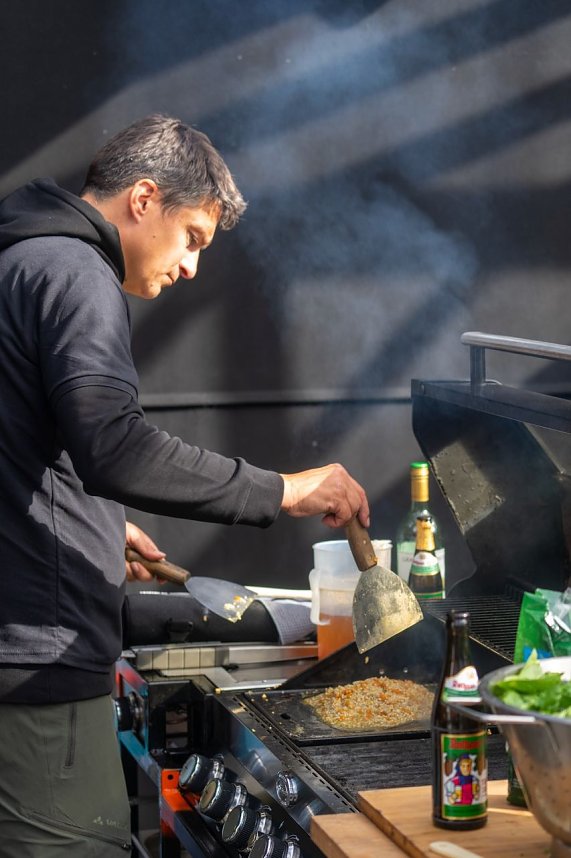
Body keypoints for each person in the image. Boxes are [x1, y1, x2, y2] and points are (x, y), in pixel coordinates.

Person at [0, 114, 369, 856]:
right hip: (39, 669)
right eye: (192, 237)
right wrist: (284, 491)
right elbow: (114, 446)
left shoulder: (20, 258)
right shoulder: (75, 274)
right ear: (143, 199)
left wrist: (94, 523)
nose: (192, 266)